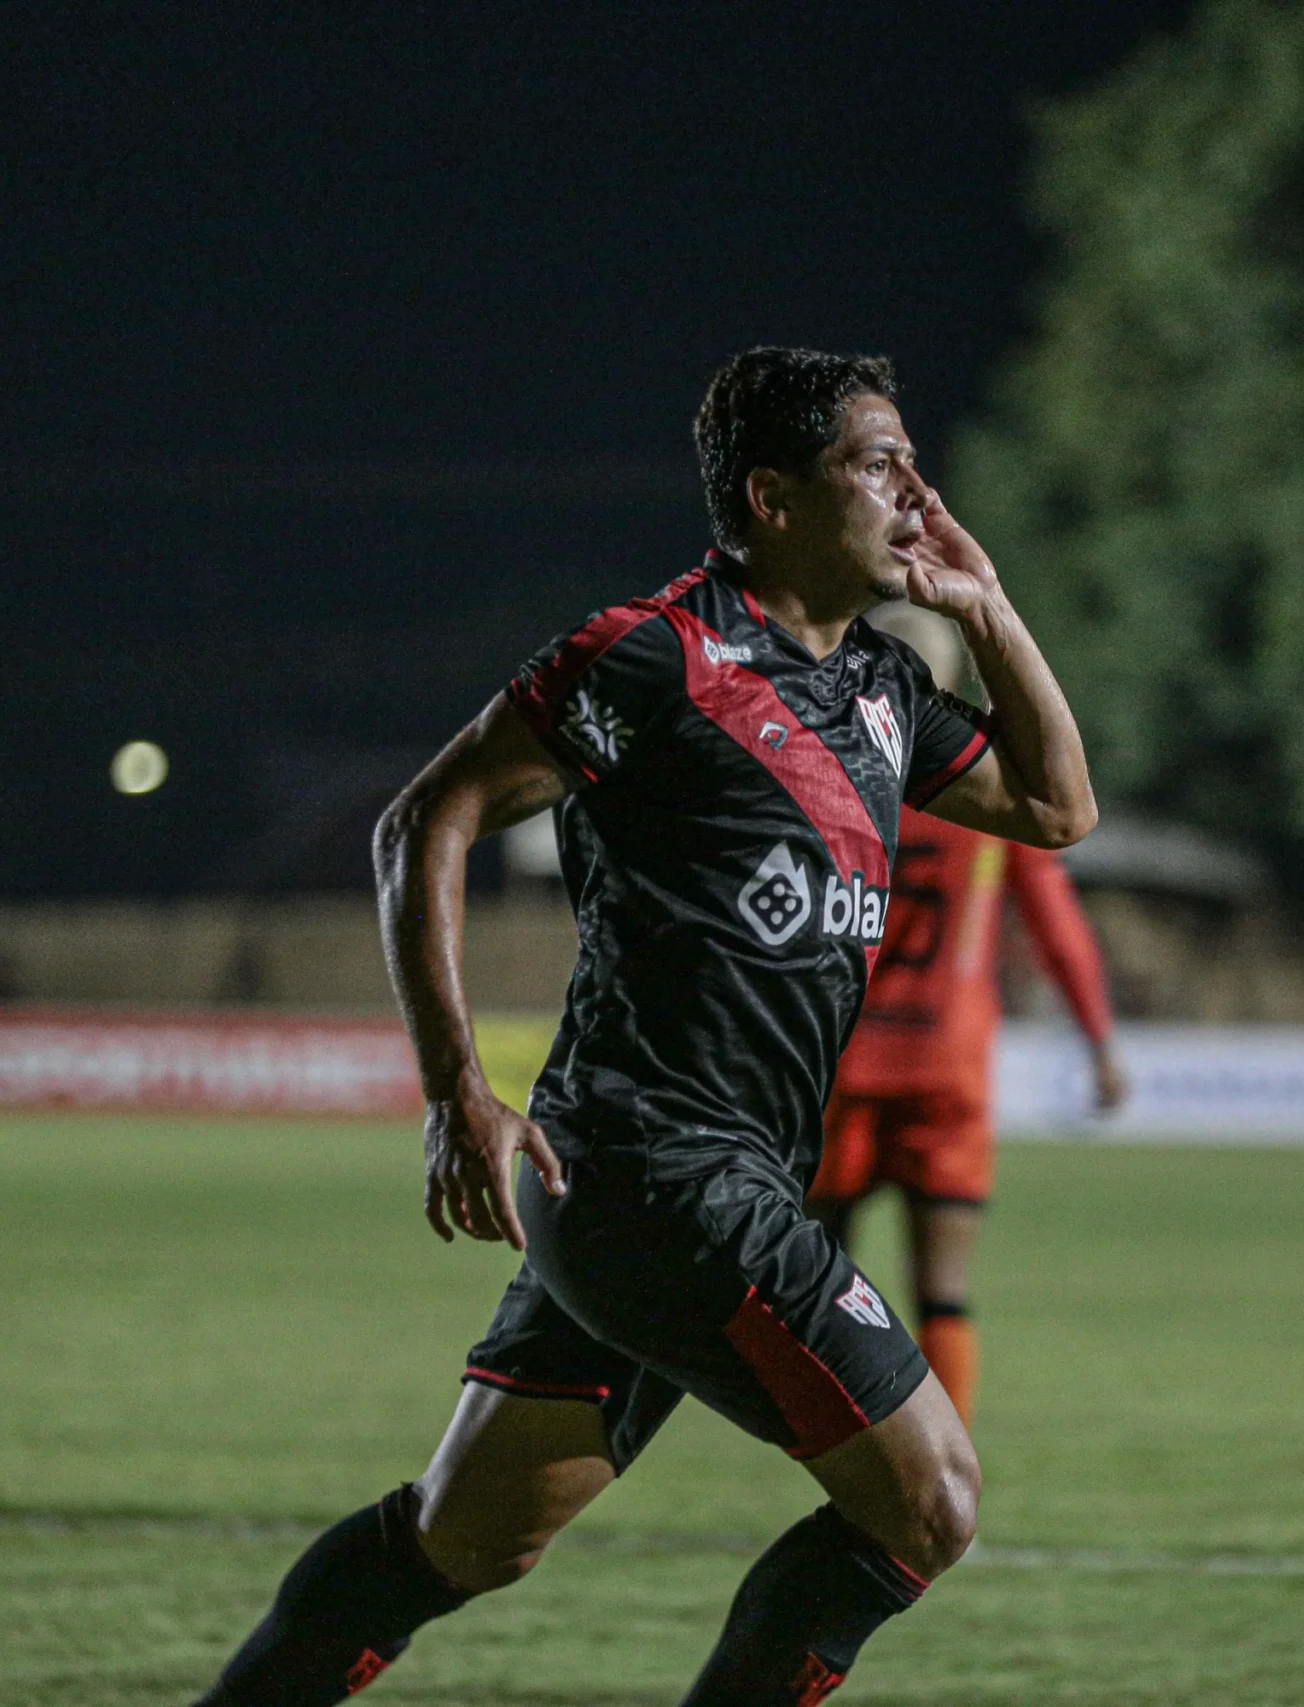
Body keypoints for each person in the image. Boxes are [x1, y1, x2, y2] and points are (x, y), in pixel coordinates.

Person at [194, 347, 1095, 1707]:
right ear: (774, 496)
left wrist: (987, 603)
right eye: (874, 462)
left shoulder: (881, 694)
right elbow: (420, 819)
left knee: (464, 1536)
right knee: (931, 1499)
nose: (911, 489)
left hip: (656, 1191)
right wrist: (454, 1087)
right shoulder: (657, 655)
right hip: (664, 1173)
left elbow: (1057, 809)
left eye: (915, 461)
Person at [808, 605, 1127, 1426]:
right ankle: (940, 1474)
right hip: (946, 1064)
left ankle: (837, 1446)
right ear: (949, 682)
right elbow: (1058, 927)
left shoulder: (824, 769)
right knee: (942, 1291)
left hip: (836, 1064)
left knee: (812, 1280)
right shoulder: (986, 788)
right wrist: (1099, 1042)